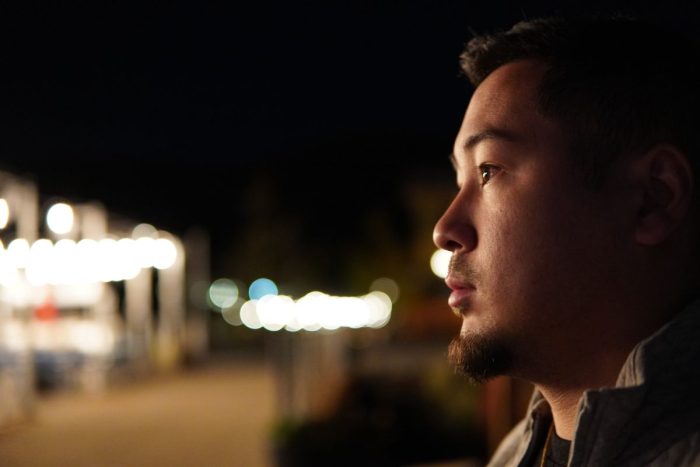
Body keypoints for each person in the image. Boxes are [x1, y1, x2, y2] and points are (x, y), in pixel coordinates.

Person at [432, 16, 700, 467]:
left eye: (489, 170)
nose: (444, 229)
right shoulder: (512, 454)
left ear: (651, 200)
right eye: (460, 180)